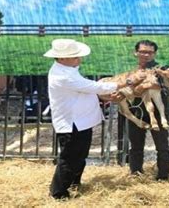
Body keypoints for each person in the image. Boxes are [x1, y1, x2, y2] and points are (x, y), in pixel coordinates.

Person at [45, 39, 145, 199]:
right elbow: (94, 87)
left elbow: (85, 91)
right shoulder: (63, 76)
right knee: (69, 158)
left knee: (79, 156)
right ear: (62, 58)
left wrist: (104, 96)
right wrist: (128, 82)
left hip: (79, 121)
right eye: (75, 56)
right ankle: (58, 193)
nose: (79, 59)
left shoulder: (68, 70)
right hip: (72, 123)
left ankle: (73, 184)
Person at [127, 39, 169, 181]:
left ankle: (163, 176)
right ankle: (136, 173)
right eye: (142, 52)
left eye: (149, 52)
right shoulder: (129, 70)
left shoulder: (163, 69)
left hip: (158, 114)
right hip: (136, 112)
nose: (146, 55)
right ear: (136, 53)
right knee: (135, 145)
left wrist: (147, 86)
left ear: (154, 54)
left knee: (162, 146)